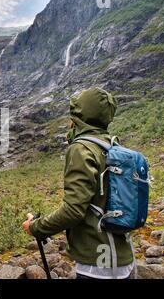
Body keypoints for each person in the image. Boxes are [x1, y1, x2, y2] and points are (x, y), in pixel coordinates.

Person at [22, 87, 134, 279]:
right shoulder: (113, 147)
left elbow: (74, 211)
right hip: (124, 259)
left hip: (97, 266)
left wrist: (35, 227)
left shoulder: (82, 149)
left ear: (78, 116)